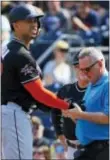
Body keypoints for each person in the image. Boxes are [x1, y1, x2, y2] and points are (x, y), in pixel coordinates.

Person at [1, 4, 74, 160]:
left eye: (36, 20)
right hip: (14, 113)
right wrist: (67, 105)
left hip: (8, 112)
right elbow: (39, 93)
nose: (35, 24)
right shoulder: (20, 54)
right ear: (16, 25)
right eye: (29, 20)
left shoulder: (7, 48)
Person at [62, 47, 109, 160]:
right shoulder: (92, 84)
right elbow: (87, 118)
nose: (83, 73)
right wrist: (72, 114)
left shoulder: (107, 84)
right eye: (81, 69)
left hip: (103, 150)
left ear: (100, 64)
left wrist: (80, 114)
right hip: (88, 149)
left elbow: (108, 117)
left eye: (87, 69)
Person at [51, 52, 89, 159]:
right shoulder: (65, 90)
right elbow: (55, 111)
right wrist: (59, 133)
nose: (81, 70)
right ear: (74, 68)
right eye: (78, 66)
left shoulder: (99, 90)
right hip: (72, 148)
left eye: (85, 67)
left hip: (94, 147)